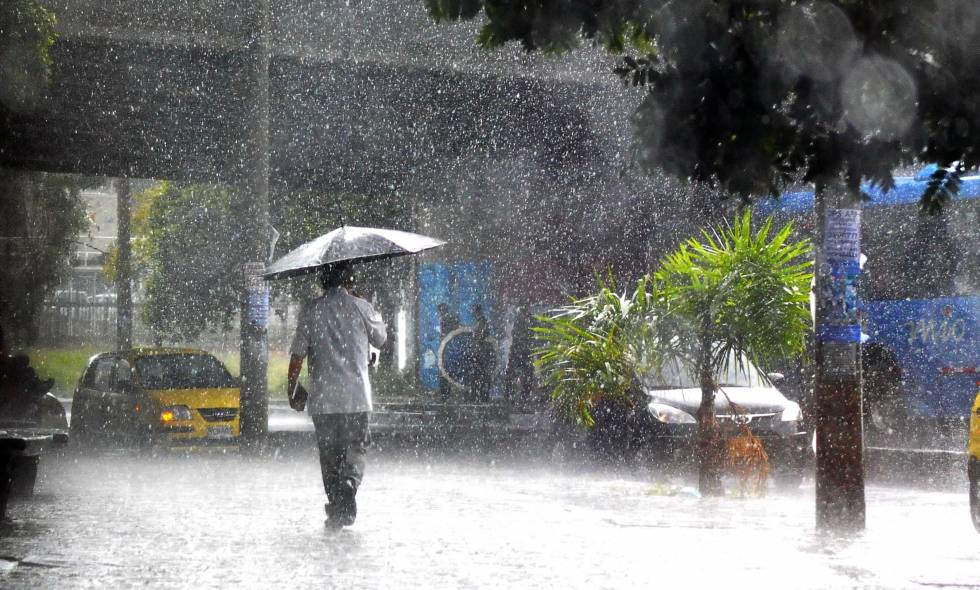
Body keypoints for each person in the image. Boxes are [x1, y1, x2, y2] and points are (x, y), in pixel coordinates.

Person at [287, 263, 387, 528]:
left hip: (324, 400)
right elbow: (381, 339)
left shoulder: (311, 311)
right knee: (356, 447)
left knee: (329, 456)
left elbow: (297, 356)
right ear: (349, 281)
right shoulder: (361, 307)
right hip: (356, 397)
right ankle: (349, 484)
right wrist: (365, 305)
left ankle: (336, 507)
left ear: (323, 281)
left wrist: (292, 389)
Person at [436, 303, 459, 400]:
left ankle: (444, 394)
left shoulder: (444, 319)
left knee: (443, 371)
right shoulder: (452, 318)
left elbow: (444, 334)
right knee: (448, 371)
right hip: (451, 348)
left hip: (446, 349)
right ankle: (447, 393)